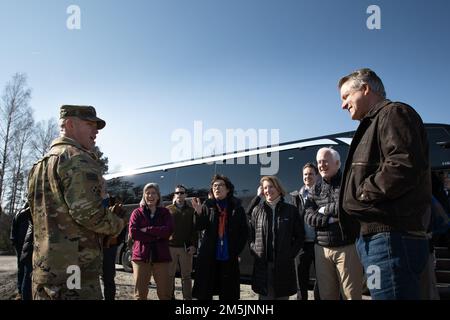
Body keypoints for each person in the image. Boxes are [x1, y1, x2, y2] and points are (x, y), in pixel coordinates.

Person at [338, 68, 431, 299]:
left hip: (390, 239)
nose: (343, 105)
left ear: (366, 89)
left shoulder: (394, 113)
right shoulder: (373, 122)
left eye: (346, 96)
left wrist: (361, 194)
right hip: (378, 239)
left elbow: (403, 165)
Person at [27, 105, 125, 300]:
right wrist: (119, 225)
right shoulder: (77, 159)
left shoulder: (39, 166)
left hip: (45, 271)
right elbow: (89, 214)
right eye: (90, 124)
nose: (96, 131)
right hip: (74, 274)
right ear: (70, 124)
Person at [305, 147, 363, 300]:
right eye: (319, 162)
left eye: (325, 161)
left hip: (347, 247)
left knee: (351, 295)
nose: (321, 165)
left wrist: (323, 209)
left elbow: (348, 206)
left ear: (337, 163)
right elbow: (309, 216)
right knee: (327, 295)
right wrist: (329, 219)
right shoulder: (315, 188)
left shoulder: (349, 182)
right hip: (322, 249)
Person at [191, 174, 248, 300]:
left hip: (228, 256)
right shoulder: (207, 206)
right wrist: (199, 213)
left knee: (228, 291)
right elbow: (199, 227)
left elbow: (244, 232)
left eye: (221, 185)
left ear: (228, 189)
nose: (217, 188)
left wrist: (235, 250)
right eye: (214, 186)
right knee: (206, 291)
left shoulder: (237, 207)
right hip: (209, 255)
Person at [249, 176, 303, 300]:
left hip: (283, 266)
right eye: (265, 188)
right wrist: (254, 249)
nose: (268, 190)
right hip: (263, 266)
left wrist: (290, 254)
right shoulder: (257, 210)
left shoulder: (291, 210)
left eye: (271, 186)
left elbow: (299, 236)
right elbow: (250, 235)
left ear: (278, 188)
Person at [129, 183, 174, 300]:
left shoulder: (165, 212)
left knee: (165, 295)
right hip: (141, 259)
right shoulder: (137, 213)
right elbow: (134, 233)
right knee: (140, 295)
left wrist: (148, 230)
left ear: (158, 196)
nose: (150, 195)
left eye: (153, 193)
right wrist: (158, 235)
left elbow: (168, 231)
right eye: (147, 193)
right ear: (144, 196)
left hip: (161, 258)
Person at [291, 163, 320, 300]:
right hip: (302, 245)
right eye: (305, 174)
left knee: (321, 278)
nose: (308, 176)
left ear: (317, 175)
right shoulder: (296, 197)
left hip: (319, 242)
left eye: (311, 174)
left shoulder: (322, 193)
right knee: (301, 280)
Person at [166, 185, 198, 300]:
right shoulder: (168, 209)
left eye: (182, 193)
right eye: (177, 193)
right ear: (175, 195)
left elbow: (194, 230)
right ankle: (170, 297)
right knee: (169, 275)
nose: (179, 195)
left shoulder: (191, 210)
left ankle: (187, 298)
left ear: (185, 195)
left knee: (187, 276)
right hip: (170, 247)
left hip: (186, 248)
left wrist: (194, 245)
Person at [102, 196, 127, 300]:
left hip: (108, 247)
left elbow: (122, 224)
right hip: (90, 245)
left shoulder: (115, 203)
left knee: (108, 277)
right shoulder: (89, 199)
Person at [10, 203, 32, 300]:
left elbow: (13, 230)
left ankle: (20, 291)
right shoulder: (27, 213)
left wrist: (14, 241)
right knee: (26, 270)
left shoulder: (19, 213)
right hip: (25, 245)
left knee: (22, 268)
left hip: (21, 244)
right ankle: (23, 292)